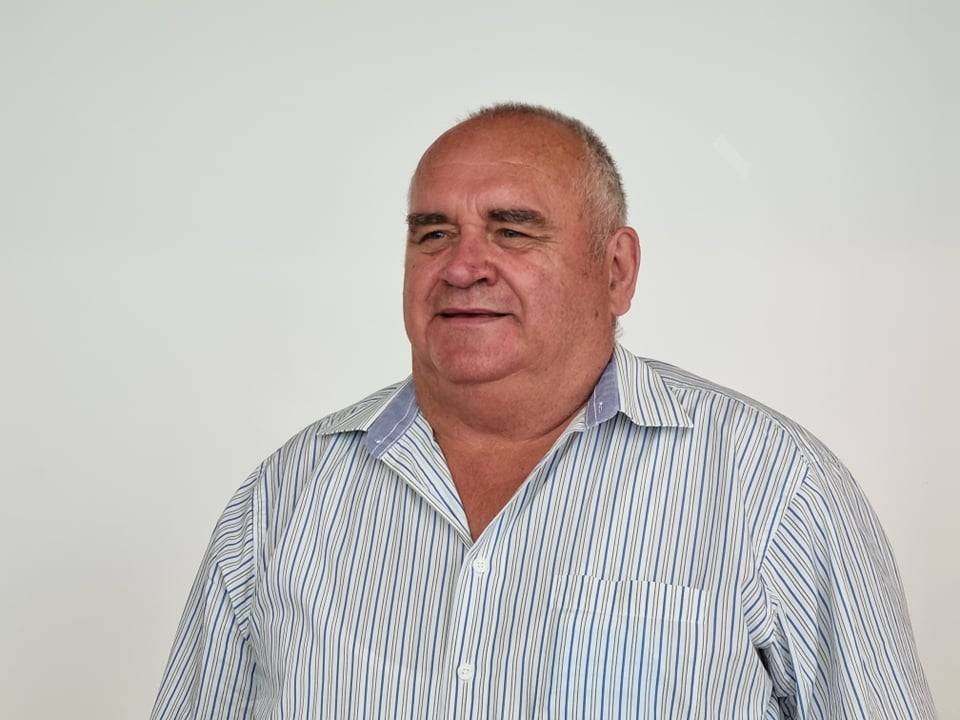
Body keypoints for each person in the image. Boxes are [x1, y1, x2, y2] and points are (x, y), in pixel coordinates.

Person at [151, 103, 936, 718]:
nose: (463, 266)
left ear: (616, 270)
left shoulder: (775, 490)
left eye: (512, 231)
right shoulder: (284, 498)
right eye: (433, 234)